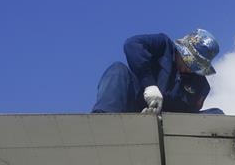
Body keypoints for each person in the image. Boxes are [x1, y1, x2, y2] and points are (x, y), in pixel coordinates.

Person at [92, 29, 223, 115]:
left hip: (169, 126)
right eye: (188, 62)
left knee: (217, 115)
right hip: (133, 108)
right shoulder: (163, 45)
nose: (189, 68)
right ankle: (103, 123)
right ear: (181, 50)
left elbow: (191, 114)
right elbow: (132, 44)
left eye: (194, 66)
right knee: (117, 70)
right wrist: (149, 84)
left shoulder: (201, 87)